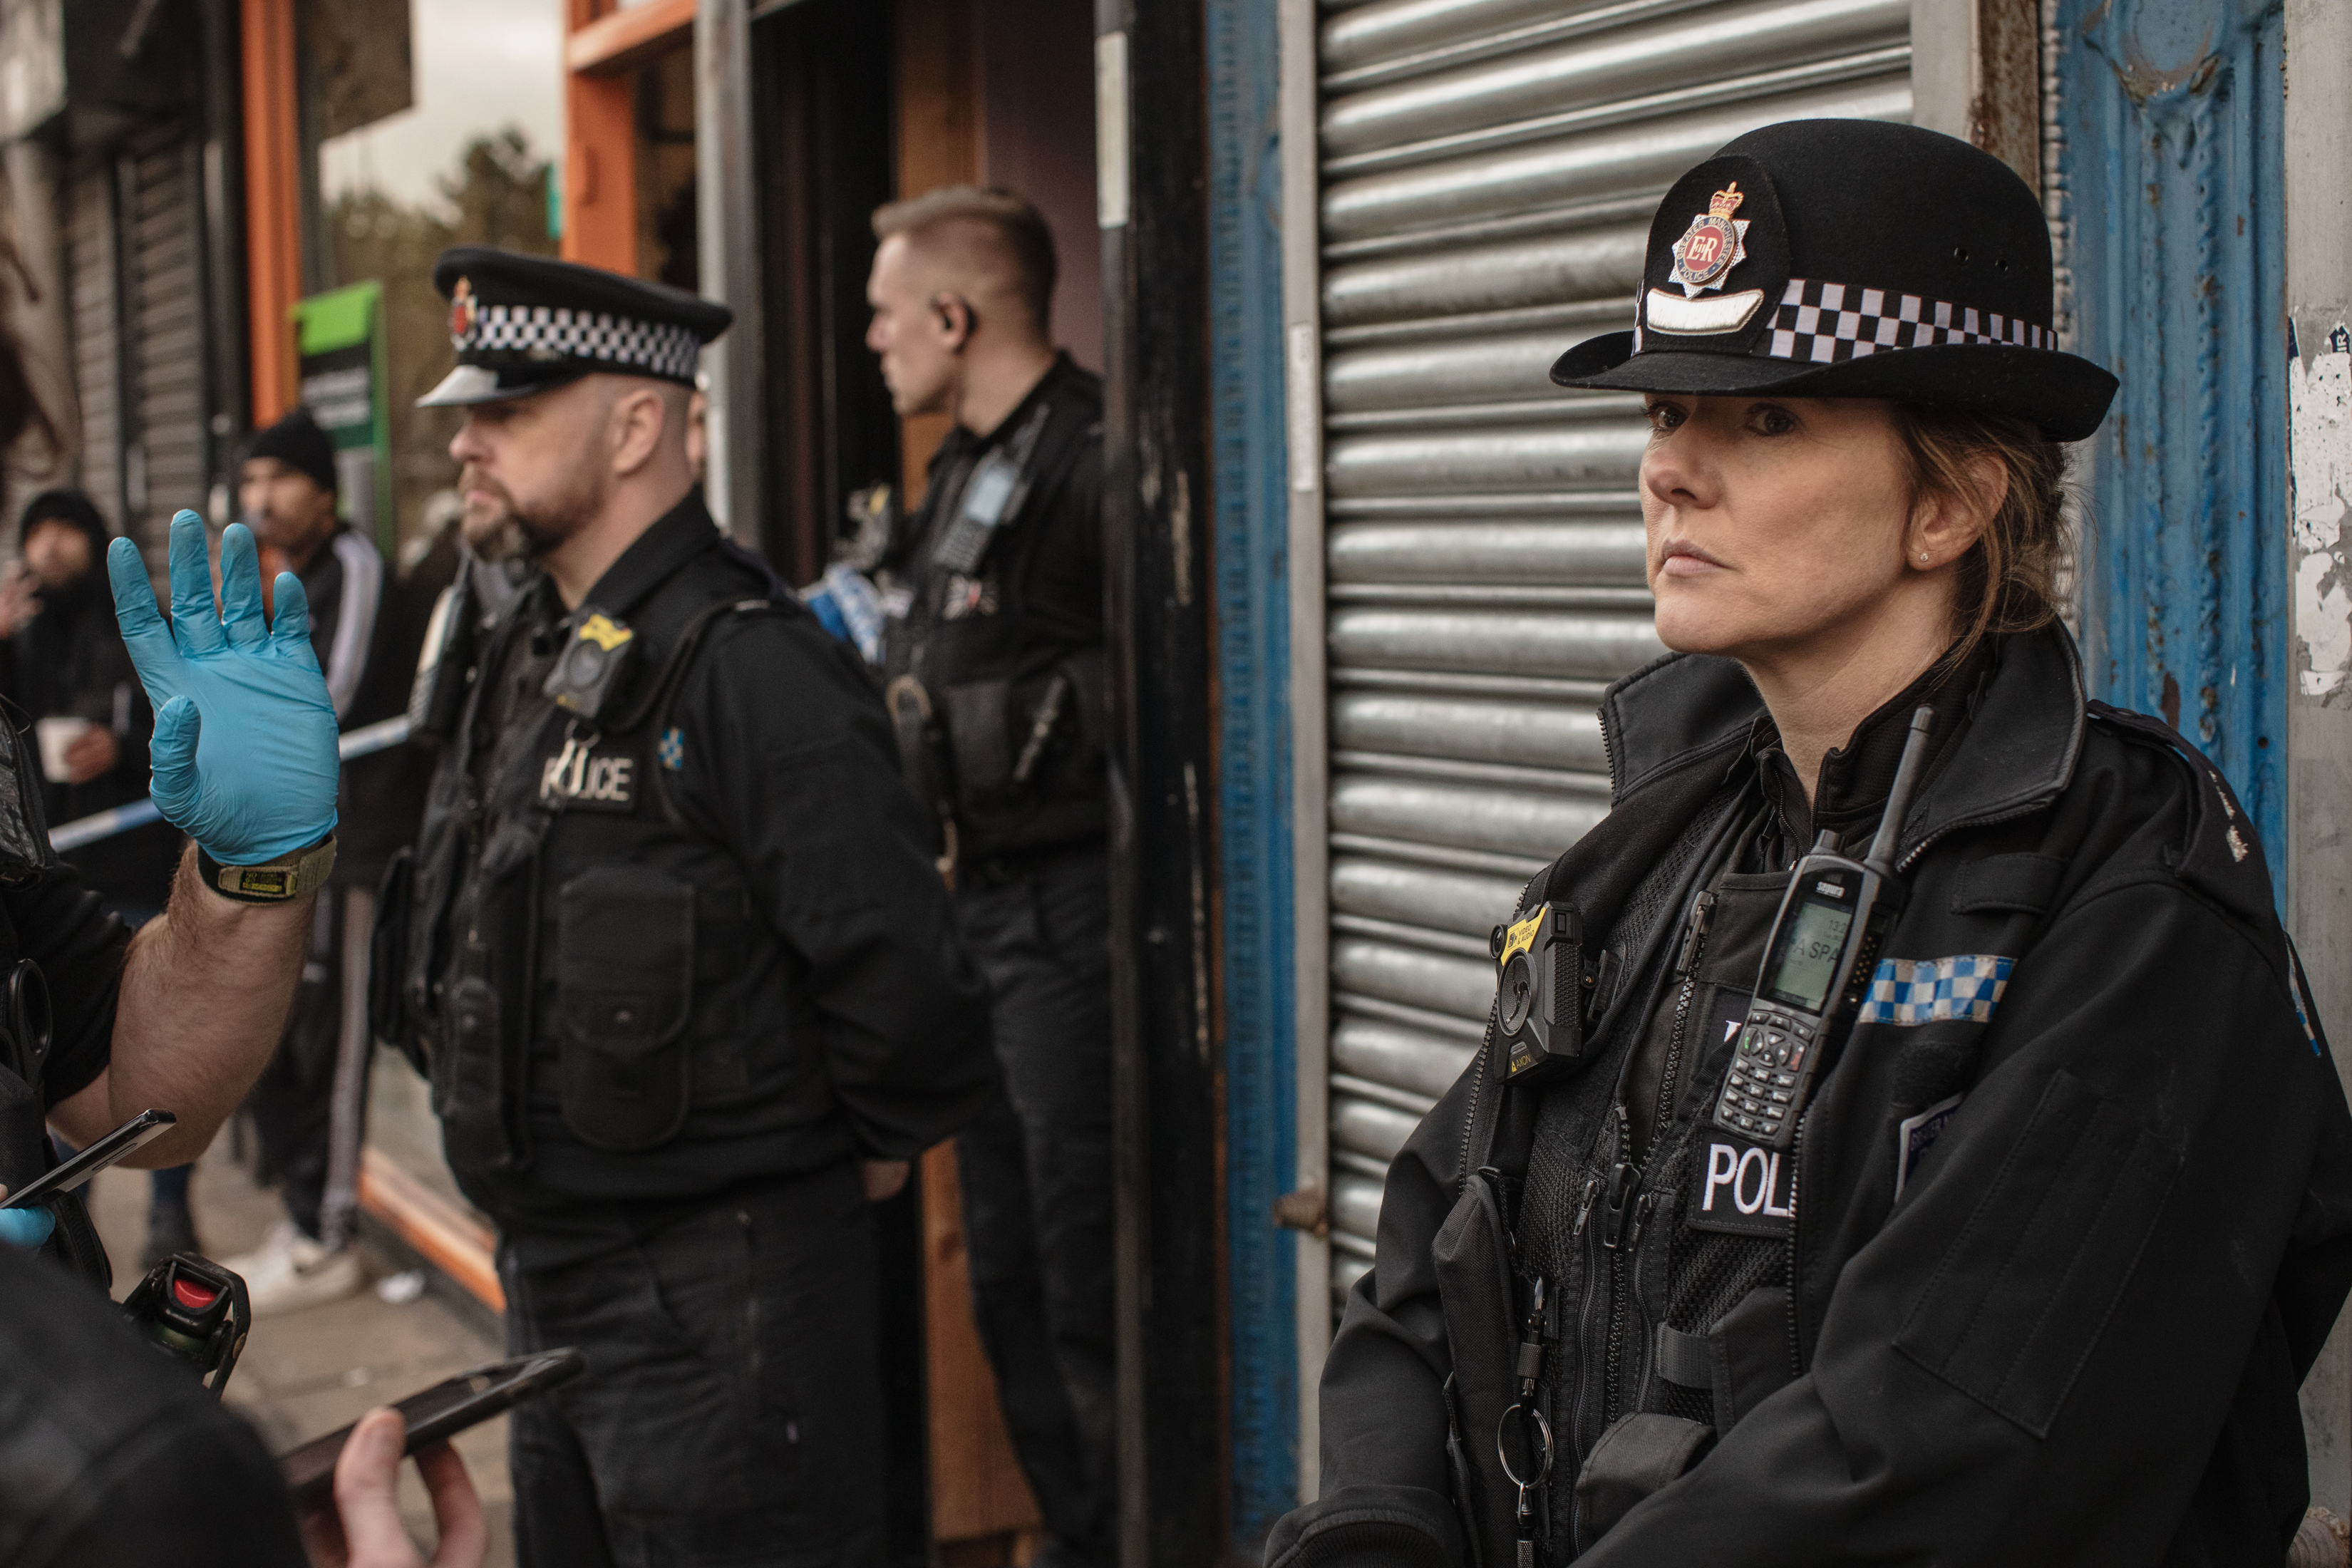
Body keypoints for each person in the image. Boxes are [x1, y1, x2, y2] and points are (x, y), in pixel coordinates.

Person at [1266, 120, 2352, 1568]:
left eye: (1764, 420)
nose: (1672, 474)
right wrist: (1371, 1533)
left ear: (1952, 502)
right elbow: (1425, 1263)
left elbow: (1942, 1450)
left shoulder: (2133, 901)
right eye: (1664, 416)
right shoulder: (1653, 851)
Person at [381, 245, 997, 1567]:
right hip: (551, 1291)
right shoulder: (532, 652)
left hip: (719, 1303)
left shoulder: (752, 668)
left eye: (508, 411)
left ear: (640, 423)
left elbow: (911, 984)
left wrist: (837, 1170)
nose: (467, 441)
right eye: (467, 413)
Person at [864, 185, 1113, 1566]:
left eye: (888, 314)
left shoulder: (1090, 457)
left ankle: (1118, 1534)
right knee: (1003, 1270)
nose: (873, 339)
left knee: (1081, 1278)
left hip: (1066, 920)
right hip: (971, 917)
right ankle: (1072, 1528)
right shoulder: (954, 467)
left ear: (956, 316)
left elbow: (1161, 688)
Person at [221, 408, 430, 1314]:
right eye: (250, 482)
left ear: (324, 490)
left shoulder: (355, 569)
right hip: (295, 839)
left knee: (340, 1044)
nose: (260, 500)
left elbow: (330, 694)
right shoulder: (289, 577)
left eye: (278, 480)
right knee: (293, 1033)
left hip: (358, 845)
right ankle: (306, 1211)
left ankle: (331, 1231)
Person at [0, 488, 192, 1264]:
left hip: (136, 870)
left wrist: (123, 745)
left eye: (66, 530)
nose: (51, 548)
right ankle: (70, 1221)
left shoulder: (135, 625)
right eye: (36, 532)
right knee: (53, 1071)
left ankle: (171, 1214)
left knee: (155, 1063)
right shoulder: (21, 638)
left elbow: (180, 716)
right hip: (45, 882)